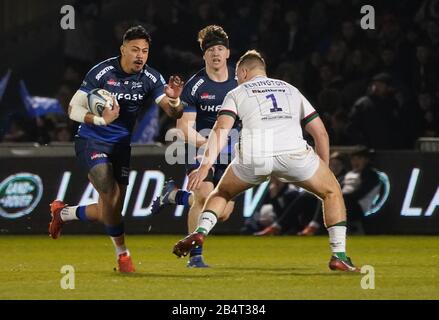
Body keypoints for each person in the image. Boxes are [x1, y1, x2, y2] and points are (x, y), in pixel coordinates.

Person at [173, 50, 361, 272]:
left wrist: (205, 166)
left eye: (237, 76)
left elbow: (221, 129)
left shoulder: (237, 92)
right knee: (331, 192)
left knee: (222, 194)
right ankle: (338, 254)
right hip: (293, 153)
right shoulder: (291, 90)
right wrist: (323, 170)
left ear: (243, 71)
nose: (236, 79)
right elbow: (320, 133)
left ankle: (201, 232)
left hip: (255, 154)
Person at [48, 25, 184, 273]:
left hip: (121, 147)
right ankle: (124, 256)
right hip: (92, 140)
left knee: (110, 209)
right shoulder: (102, 72)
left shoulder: (151, 78)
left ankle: (64, 213)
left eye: (144, 50)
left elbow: (173, 111)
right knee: (107, 190)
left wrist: (174, 99)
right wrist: (101, 120)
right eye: (135, 50)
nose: (140, 55)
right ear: (123, 49)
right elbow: (72, 109)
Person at [151, 25, 238, 268]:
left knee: (222, 211)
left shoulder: (240, 82)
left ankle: (173, 196)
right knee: (203, 197)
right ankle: (195, 256)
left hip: (231, 153)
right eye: (211, 50)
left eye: (220, 49)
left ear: (228, 53)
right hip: (199, 149)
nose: (216, 54)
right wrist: (209, 142)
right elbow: (184, 129)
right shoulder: (195, 86)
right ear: (204, 56)